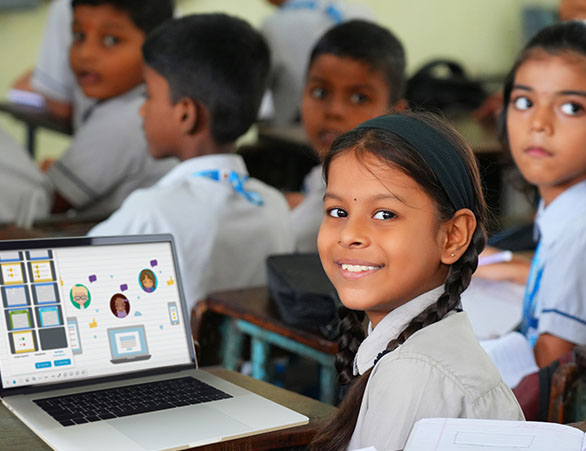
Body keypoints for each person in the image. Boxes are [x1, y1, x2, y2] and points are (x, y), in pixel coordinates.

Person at [311, 112, 524, 451]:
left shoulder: (416, 373)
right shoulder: (413, 352)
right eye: (338, 212)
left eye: (385, 215)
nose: (350, 234)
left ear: (452, 236)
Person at [89, 14, 294, 317]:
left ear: (186, 114)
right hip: (240, 365)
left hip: (168, 363)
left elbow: (73, 272)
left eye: (148, 95)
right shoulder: (274, 206)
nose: (143, 109)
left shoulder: (152, 210)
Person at [476, 20, 586, 369]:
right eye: (524, 101)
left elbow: (553, 374)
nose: (539, 123)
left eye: (572, 107)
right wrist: (516, 268)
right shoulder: (573, 210)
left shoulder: (582, 231)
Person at [42, 0, 176, 216]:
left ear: (158, 49)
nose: (86, 54)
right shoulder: (137, 102)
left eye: (111, 40)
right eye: (78, 36)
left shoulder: (121, 122)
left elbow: (45, 203)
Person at [291, 20, 407, 252]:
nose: (334, 111)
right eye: (320, 92)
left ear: (396, 114)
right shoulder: (324, 176)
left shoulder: (386, 205)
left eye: (359, 98)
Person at [260, 0, 372, 125]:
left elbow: (260, 85)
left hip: (296, 129)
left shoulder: (275, 24)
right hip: (357, 128)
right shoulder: (361, 14)